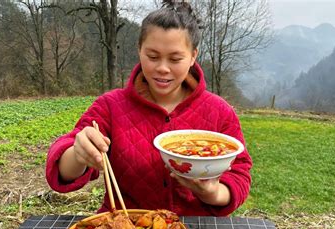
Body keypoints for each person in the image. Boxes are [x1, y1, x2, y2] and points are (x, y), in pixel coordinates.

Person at [45, 0, 252, 216]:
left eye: (175, 59)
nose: (162, 68)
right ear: (139, 50)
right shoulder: (110, 106)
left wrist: (212, 193)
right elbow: (62, 171)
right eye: (152, 57)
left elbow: (240, 172)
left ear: (193, 57)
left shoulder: (219, 111)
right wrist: (79, 154)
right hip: (125, 227)